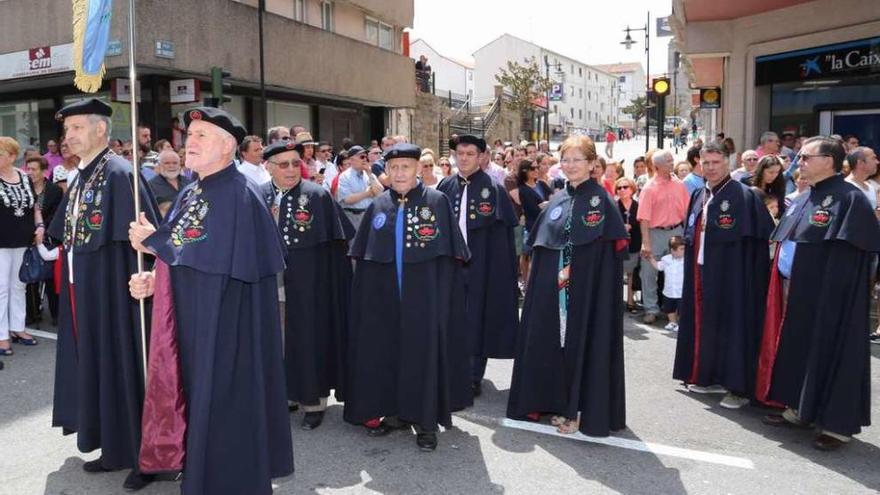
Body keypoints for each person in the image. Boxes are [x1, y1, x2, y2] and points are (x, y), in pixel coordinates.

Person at [128, 106, 294, 492]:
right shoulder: (194, 188)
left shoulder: (239, 195)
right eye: (191, 135)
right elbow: (187, 256)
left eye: (202, 136)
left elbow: (214, 265)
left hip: (225, 330)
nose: (191, 143)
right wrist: (155, 278)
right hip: (193, 325)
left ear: (227, 147)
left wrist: (155, 242)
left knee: (222, 417)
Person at [47, 98, 159, 491]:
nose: (69, 136)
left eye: (77, 128)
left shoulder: (120, 174)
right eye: (67, 130)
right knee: (101, 368)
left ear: (100, 130)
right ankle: (113, 447)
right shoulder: (81, 176)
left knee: (126, 367)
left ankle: (146, 456)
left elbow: (148, 239)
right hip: (85, 290)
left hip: (117, 292)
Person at [344, 143, 471, 452]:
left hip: (424, 302)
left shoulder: (437, 202)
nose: (400, 173)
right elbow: (366, 260)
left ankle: (426, 422)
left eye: (406, 167)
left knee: (422, 359)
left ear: (418, 169)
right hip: (385, 303)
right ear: (387, 171)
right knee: (387, 356)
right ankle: (395, 412)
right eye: (395, 167)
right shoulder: (378, 205)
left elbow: (450, 260)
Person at [756, 136, 880, 450]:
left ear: (829, 160)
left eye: (807, 157)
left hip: (836, 298)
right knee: (800, 345)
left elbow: (854, 253)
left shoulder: (851, 198)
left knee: (834, 352)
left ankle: (836, 426)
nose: (800, 162)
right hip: (805, 291)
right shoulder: (809, 195)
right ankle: (799, 408)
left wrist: (832, 293)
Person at [507, 134, 628, 436]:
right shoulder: (559, 197)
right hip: (554, 294)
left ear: (592, 164)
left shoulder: (603, 202)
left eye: (577, 160)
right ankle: (557, 403)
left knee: (581, 346)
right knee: (555, 345)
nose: (570, 165)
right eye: (565, 159)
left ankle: (577, 411)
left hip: (584, 295)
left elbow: (608, 257)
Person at [258, 140, 354, 430]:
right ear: (268, 167)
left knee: (309, 340)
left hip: (309, 285)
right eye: (283, 164)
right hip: (268, 283)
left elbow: (337, 245)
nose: (290, 169)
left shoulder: (317, 196)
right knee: (278, 341)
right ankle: (287, 394)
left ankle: (314, 402)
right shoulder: (257, 195)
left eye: (294, 164)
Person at [673, 141, 774, 409]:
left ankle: (737, 388)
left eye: (716, 162)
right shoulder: (699, 195)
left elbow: (757, 243)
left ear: (728, 162)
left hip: (734, 277)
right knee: (708, 326)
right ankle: (709, 376)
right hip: (702, 271)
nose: (710, 168)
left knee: (734, 328)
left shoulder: (745, 195)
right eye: (705, 163)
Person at [438, 134, 519, 397]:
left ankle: (473, 375)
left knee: (477, 317)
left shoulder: (493, 190)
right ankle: (451, 368)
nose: (463, 158)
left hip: (480, 267)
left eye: (469, 154)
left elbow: (504, 239)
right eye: (459, 154)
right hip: (450, 266)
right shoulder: (445, 186)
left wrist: (501, 272)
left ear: (482, 157)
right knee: (451, 317)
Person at [0, 136, 45, 356]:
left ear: (11, 156)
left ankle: (17, 327)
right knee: (1, 290)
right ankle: (1, 335)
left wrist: (40, 225)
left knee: (19, 286)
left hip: (23, 239)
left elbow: (34, 206)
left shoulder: (23, 177)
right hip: (0, 242)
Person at [637, 149, 689, 324]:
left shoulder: (680, 185)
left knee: (679, 273)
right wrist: (646, 243)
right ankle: (651, 309)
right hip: (654, 233)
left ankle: (678, 310)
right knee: (649, 273)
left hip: (676, 232)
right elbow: (643, 218)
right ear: (657, 166)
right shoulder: (649, 188)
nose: (672, 162)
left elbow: (686, 212)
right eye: (668, 160)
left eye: (672, 159)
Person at [24, 155, 62, 326]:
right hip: (27, 237)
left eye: (34, 169)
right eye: (28, 169)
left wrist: (43, 231)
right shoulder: (24, 188)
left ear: (44, 171)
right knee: (29, 275)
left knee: (51, 277)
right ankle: (32, 313)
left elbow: (57, 214)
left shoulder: (54, 190)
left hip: (50, 237)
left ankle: (57, 314)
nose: (30, 172)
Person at [516, 158, 551, 285]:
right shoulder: (522, 189)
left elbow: (555, 199)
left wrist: (545, 204)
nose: (536, 170)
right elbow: (533, 209)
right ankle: (527, 284)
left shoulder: (542, 184)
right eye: (533, 168)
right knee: (527, 256)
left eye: (537, 167)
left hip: (546, 226)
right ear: (525, 171)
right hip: (531, 227)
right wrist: (547, 204)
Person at [337, 145, 383, 229]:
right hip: (353, 216)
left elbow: (379, 192)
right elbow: (348, 199)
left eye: (366, 157)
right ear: (351, 160)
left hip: (369, 214)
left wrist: (369, 173)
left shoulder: (368, 174)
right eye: (362, 157)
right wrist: (368, 193)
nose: (365, 159)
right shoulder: (344, 176)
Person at [649, 236, 685, 332]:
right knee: (669, 308)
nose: (684, 251)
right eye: (681, 249)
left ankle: (682, 324)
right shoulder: (666, 259)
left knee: (682, 309)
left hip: (681, 291)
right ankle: (672, 322)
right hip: (668, 291)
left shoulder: (686, 260)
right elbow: (659, 267)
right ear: (672, 250)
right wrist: (651, 259)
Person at [616, 177, 641, 313]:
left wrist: (632, 226)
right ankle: (618, 301)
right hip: (619, 245)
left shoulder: (638, 205)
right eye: (619, 188)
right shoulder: (614, 206)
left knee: (632, 273)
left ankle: (631, 301)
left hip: (635, 243)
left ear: (632, 189)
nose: (622, 190)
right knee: (618, 274)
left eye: (625, 187)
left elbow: (643, 223)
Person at [148, 149, 193, 219]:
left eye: (175, 163)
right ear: (160, 165)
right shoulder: (151, 185)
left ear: (179, 165)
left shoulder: (189, 183)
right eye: (167, 163)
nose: (171, 166)